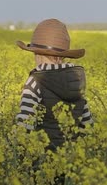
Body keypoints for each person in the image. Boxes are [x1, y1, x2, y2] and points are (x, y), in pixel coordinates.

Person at [15, 18, 93, 152]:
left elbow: (24, 122)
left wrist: (15, 149)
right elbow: (87, 124)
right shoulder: (77, 80)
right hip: (73, 158)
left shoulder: (36, 80)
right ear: (61, 56)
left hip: (43, 158)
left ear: (37, 53)